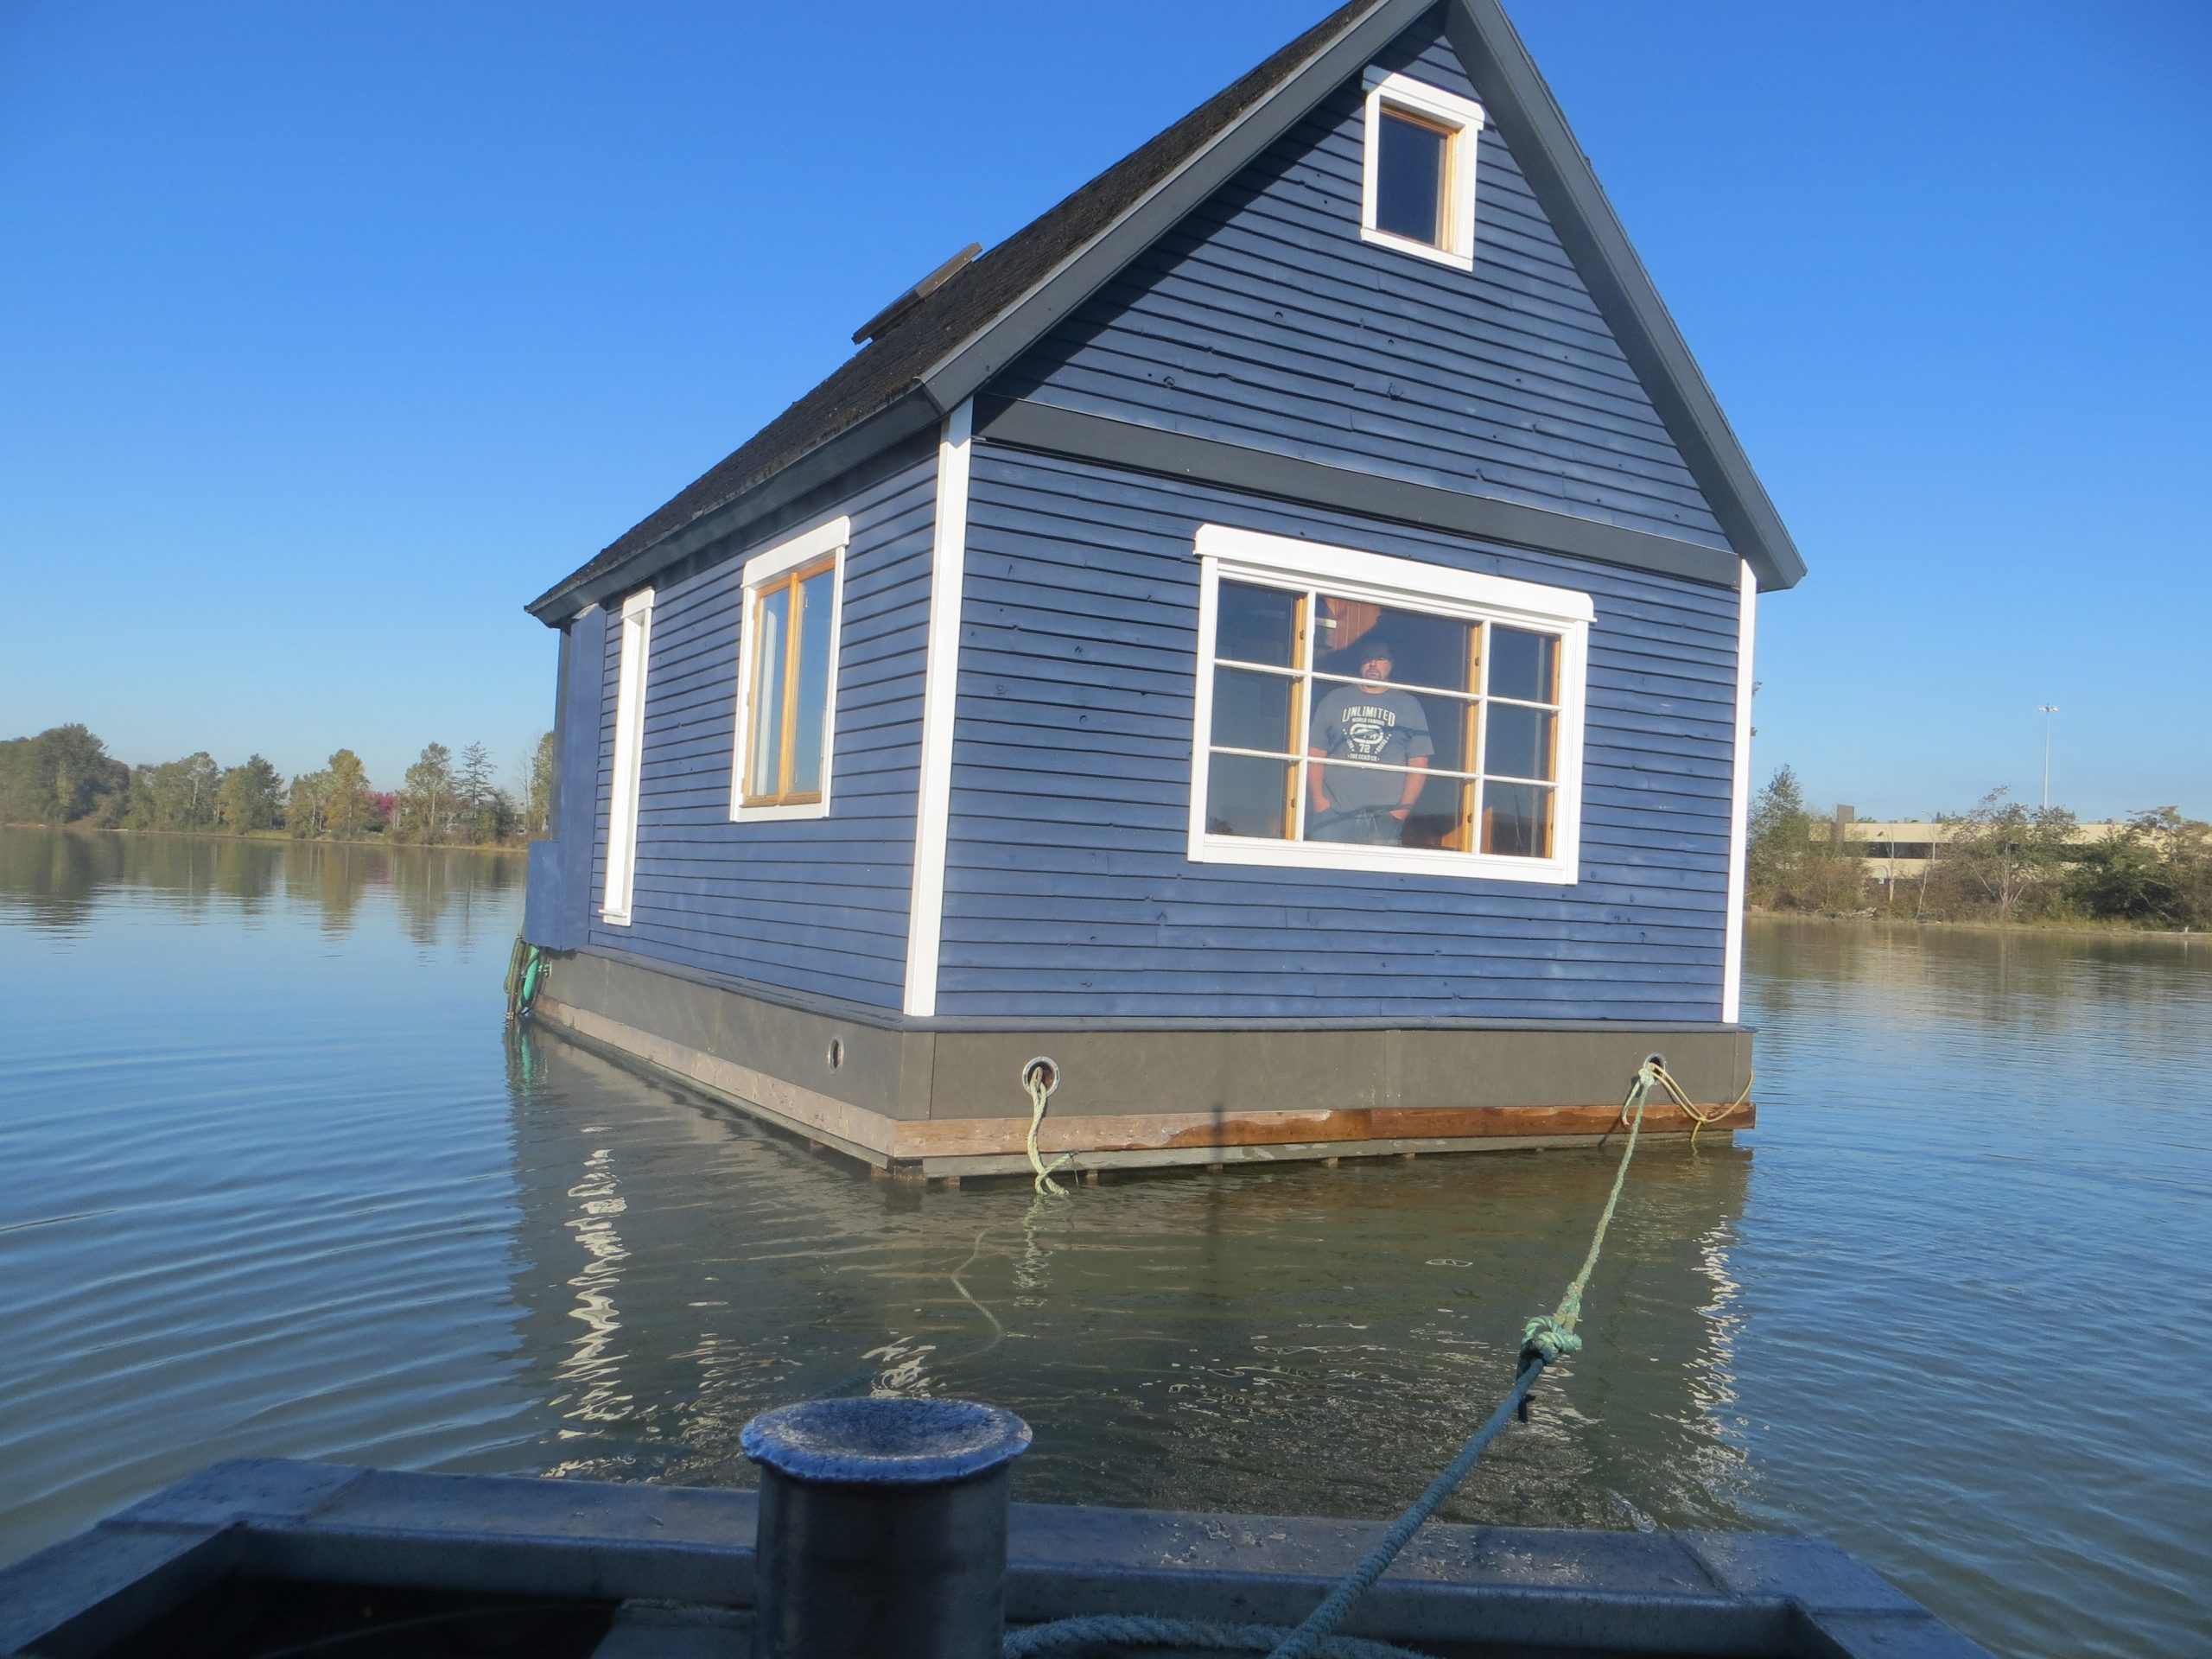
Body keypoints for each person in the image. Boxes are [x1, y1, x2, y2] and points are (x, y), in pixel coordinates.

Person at [1306, 636, 1431, 844]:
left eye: (1380, 658)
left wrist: (1400, 812)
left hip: (1384, 818)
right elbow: (1315, 752)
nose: (1373, 664)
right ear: (1360, 664)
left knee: (1380, 876)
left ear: (1390, 664)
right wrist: (1320, 802)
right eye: (1368, 658)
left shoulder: (1409, 705)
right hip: (1334, 815)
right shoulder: (1334, 700)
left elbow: (1419, 762)